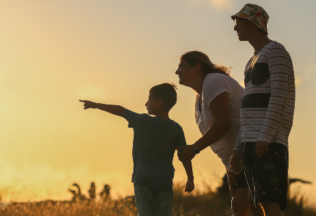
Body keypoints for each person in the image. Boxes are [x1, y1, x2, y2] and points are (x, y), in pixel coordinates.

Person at [80, 83, 194, 216]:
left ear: (158, 102)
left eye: (149, 99)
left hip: (143, 181)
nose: (146, 103)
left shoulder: (142, 121)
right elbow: (184, 155)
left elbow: (120, 110)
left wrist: (95, 105)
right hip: (164, 181)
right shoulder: (176, 128)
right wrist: (190, 178)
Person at [229, 4, 295, 216]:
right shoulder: (251, 61)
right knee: (258, 202)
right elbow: (247, 110)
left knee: (270, 203)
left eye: (238, 22)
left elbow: (279, 95)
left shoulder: (276, 52)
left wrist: (265, 136)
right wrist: (239, 147)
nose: (235, 27)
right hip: (252, 141)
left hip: (267, 142)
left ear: (251, 23)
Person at [176, 51, 250, 216]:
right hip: (236, 163)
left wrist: (194, 149)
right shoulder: (199, 98)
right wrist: (229, 169)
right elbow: (223, 137)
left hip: (251, 153)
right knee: (239, 208)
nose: (177, 71)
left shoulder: (213, 81)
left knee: (255, 207)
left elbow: (224, 123)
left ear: (197, 67)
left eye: (182, 66)